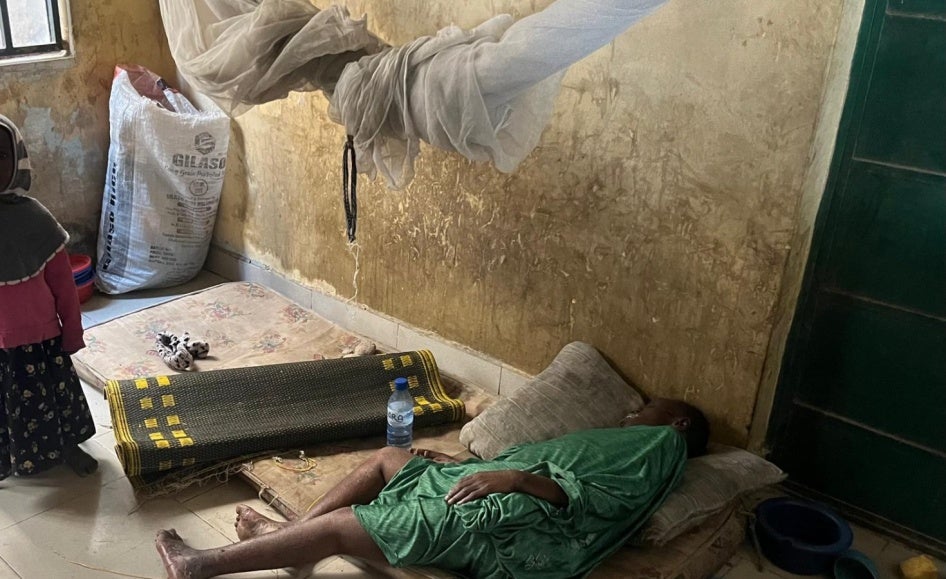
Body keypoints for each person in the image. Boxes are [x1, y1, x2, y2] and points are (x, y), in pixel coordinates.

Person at [155, 398, 709, 578]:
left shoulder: (662, 445)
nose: (637, 408)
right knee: (389, 458)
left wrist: (511, 478)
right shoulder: (637, 443)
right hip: (501, 486)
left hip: (516, 515)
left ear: (678, 422)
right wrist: (466, 463)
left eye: (652, 405)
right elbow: (557, 466)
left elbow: (593, 502)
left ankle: (200, 564)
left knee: (346, 527)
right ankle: (291, 540)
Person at [0, 114, 97, 479]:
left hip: (40, 341)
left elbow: (64, 286)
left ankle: (65, 446)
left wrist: (72, 332)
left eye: (0, 155)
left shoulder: (36, 219)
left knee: (52, 399)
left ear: (18, 160)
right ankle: (8, 454)